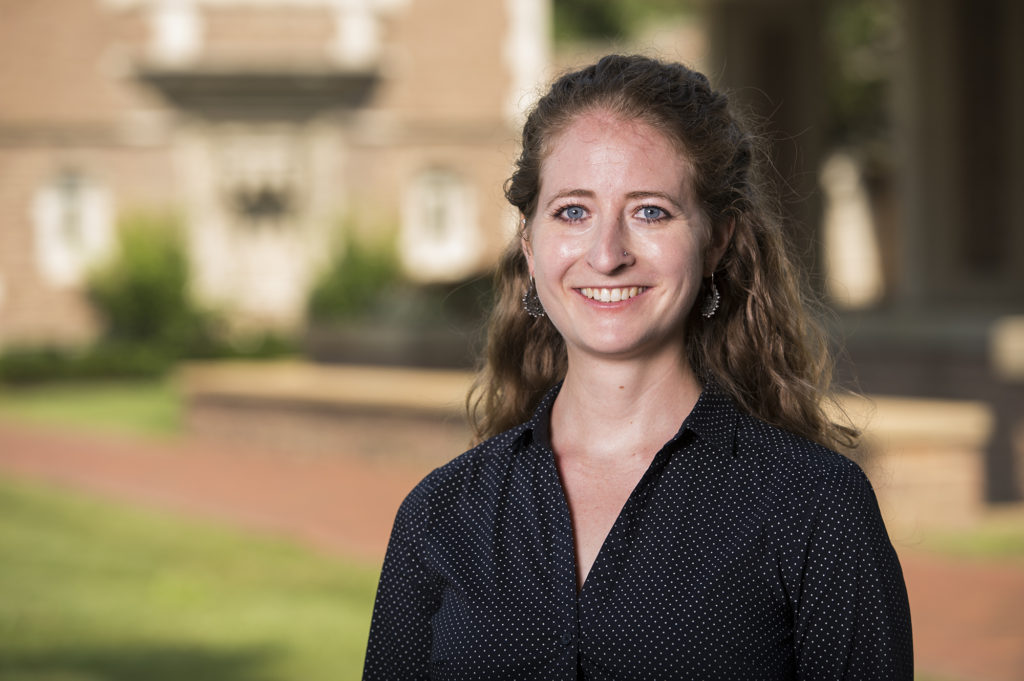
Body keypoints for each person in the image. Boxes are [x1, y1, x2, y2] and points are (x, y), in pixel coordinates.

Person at [362, 54, 912, 680]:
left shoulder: (813, 506)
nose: (607, 254)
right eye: (573, 211)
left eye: (650, 211)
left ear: (717, 241)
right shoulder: (442, 513)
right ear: (529, 243)